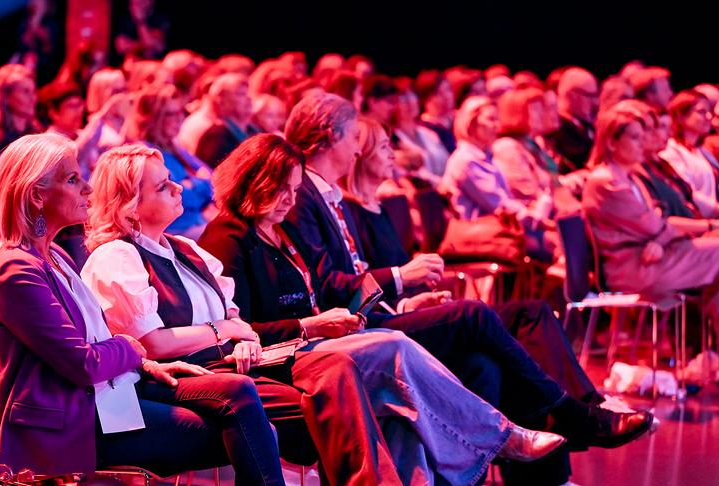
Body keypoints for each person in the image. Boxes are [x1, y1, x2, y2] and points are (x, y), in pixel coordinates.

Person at [83, 143, 566, 485]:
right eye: (162, 186)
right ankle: (501, 435)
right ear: (130, 204)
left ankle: (493, 441)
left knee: (387, 369)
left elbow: (238, 320)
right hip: (193, 376)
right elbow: (154, 345)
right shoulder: (117, 257)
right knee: (377, 356)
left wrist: (239, 333)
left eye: (171, 181)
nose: (177, 190)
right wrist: (223, 329)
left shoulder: (186, 249)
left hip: (248, 357)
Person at [279, 92, 653, 478]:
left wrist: (405, 304)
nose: (358, 151)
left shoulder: (326, 196)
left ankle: (555, 456)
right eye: (355, 138)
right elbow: (325, 288)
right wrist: (400, 277)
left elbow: (349, 280)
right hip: (355, 335)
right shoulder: (304, 196)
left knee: (501, 347)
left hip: (377, 318)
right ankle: (577, 414)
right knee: (475, 315)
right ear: (329, 135)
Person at [0, 133, 285, 484]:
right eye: (73, 180)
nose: (88, 190)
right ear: (36, 195)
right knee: (255, 432)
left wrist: (146, 363)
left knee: (239, 393)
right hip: (72, 419)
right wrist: (133, 348)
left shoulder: (54, 255)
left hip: (107, 397)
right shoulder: (14, 269)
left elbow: (95, 346)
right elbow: (83, 364)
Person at [582, 102, 719, 326]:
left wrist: (660, 240)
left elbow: (659, 225)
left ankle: (706, 351)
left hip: (654, 255)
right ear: (612, 142)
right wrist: (705, 227)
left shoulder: (628, 176)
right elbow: (659, 226)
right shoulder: (606, 182)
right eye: (635, 137)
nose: (643, 143)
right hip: (634, 266)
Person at [440, 96, 555, 262]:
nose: (497, 126)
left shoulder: (483, 157)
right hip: (482, 237)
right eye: (490, 119)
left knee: (555, 239)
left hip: (499, 230)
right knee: (553, 244)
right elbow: (500, 206)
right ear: (471, 123)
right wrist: (537, 219)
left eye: (497, 119)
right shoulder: (466, 161)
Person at [125, 84, 214, 239]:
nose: (180, 119)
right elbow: (185, 198)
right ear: (152, 118)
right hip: (174, 231)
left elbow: (213, 182)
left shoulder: (175, 148)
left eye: (181, 112)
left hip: (197, 224)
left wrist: (194, 184)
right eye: (171, 114)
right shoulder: (146, 154)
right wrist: (198, 181)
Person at [658, 90, 719, 218]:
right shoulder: (671, 151)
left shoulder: (700, 150)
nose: (709, 116)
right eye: (701, 112)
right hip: (697, 222)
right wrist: (715, 209)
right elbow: (686, 192)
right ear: (681, 116)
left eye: (709, 111)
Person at [193, 73, 255, 167]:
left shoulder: (253, 130)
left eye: (248, 93)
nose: (249, 98)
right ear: (221, 101)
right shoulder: (216, 138)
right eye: (241, 94)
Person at [545, 67, 599, 173]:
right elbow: (579, 158)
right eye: (589, 96)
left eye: (595, 96)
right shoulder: (556, 127)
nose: (595, 102)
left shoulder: (585, 125)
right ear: (572, 95)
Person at [0, 64, 39, 151]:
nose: (33, 98)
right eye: (25, 92)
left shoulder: (38, 136)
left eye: (33, 92)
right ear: (5, 97)